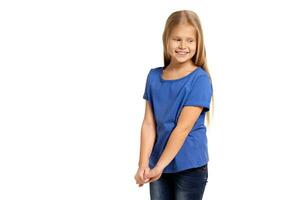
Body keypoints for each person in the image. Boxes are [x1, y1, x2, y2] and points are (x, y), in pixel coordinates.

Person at [134, 9, 214, 200]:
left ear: (198, 43)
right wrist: (143, 164)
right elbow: (148, 124)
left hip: (190, 167)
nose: (183, 45)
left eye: (190, 40)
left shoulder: (200, 79)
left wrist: (159, 167)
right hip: (158, 165)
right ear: (166, 40)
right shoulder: (153, 76)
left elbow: (183, 128)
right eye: (177, 39)